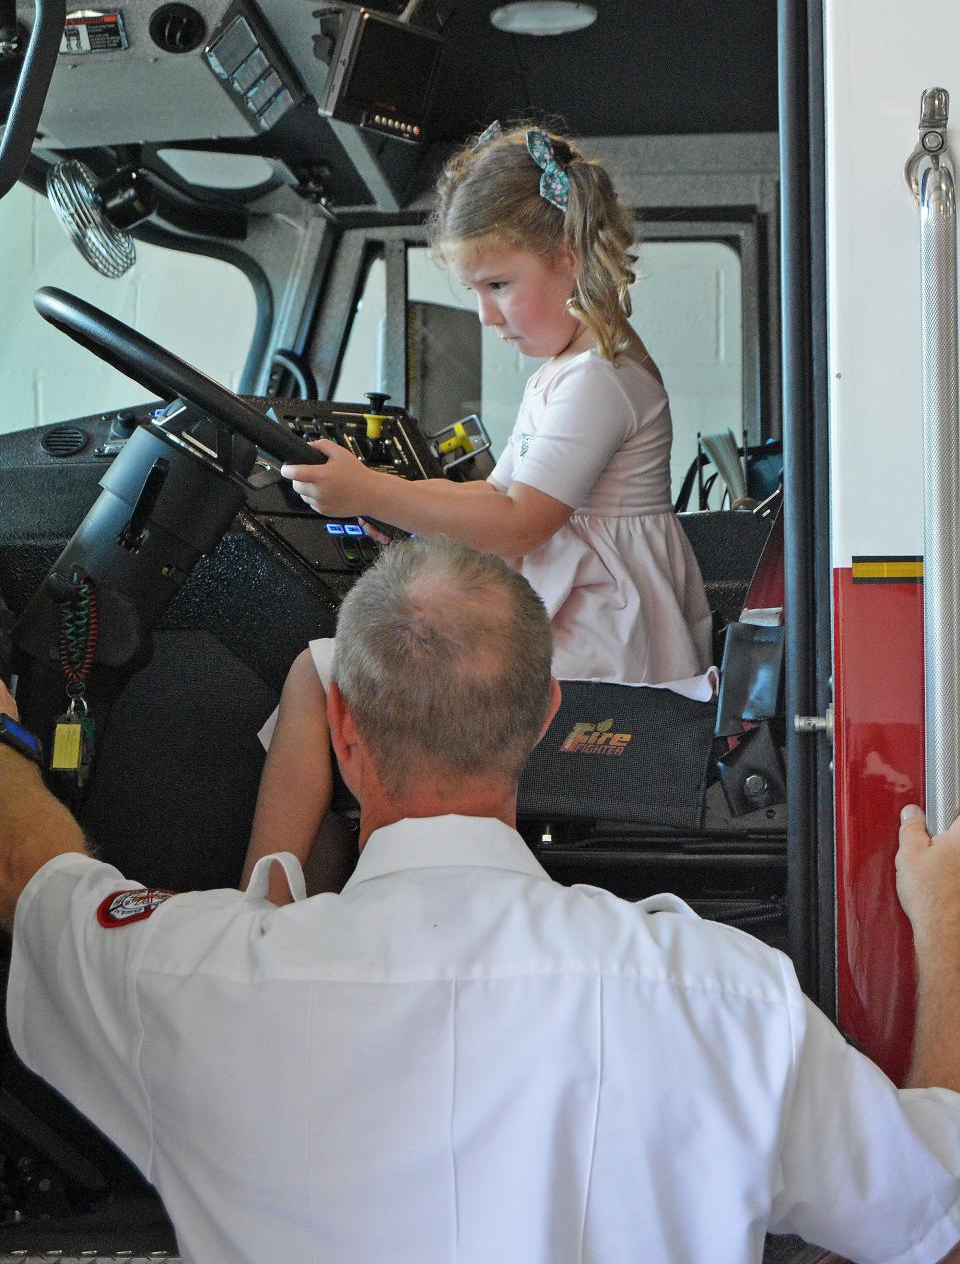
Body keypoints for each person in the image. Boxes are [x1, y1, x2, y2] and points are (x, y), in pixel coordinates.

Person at [4, 535, 960, 1264]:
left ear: (340, 724)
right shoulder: (728, 999)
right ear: (546, 715)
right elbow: (935, 1210)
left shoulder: (184, 977)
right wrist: (948, 935)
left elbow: (29, 869)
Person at [244, 121, 712, 891]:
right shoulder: (578, 364)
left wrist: (372, 489)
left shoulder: (596, 378)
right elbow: (496, 497)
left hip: (606, 646)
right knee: (334, 679)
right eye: (477, 292)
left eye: (499, 285)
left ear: (568, 257)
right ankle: (302, 909)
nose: (490, 317)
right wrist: (396, 504)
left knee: (320, 675)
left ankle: (260, 911)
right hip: (582, 621)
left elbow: (520, 519)